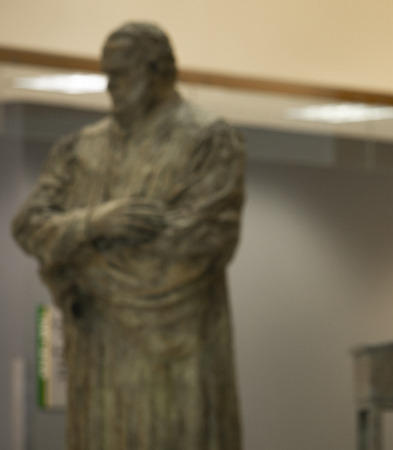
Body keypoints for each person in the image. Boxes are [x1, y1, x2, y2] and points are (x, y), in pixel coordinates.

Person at [12, 22, 244, 449]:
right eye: (106, 73)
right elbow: (28, 224)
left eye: (121, 74)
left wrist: (77, 265)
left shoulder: (208, 140)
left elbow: (200, 243)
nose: (109, 85)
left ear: (158, 72)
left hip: (175, 358)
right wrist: (93, 223)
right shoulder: (80, 148)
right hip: (96, 353)